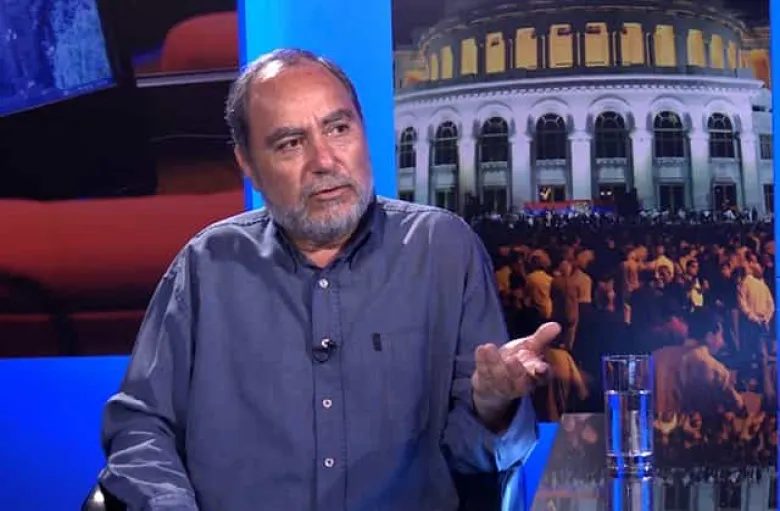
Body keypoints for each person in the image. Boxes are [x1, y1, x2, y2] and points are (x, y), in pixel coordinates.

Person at [99, 48, 560, 511]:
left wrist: (492, 405)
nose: (324, 160)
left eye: (339, 129)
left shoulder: (443, 249)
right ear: (248, 164)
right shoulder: (208, 265)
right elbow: (140, 429)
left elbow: (478, 459)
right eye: (290, 143)